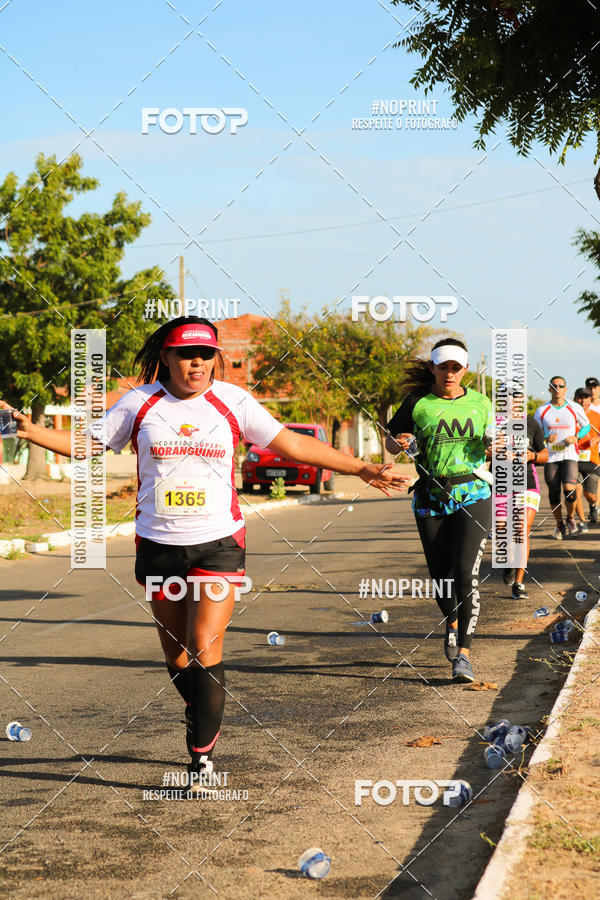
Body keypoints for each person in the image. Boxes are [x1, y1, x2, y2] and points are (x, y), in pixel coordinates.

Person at [1, 316, 411, 779]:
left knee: (203, 645)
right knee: (177, 655)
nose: (197, 362)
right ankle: (201, 708)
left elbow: (292, 443)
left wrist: (358, 467)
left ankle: (201, 758)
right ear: (166, 358)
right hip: (158, 543)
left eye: (206, 354)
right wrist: (29, 430)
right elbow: (87, 444)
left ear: (216, 358)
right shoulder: (139, 403)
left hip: (218, 541)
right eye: (186, 354)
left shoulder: (233, 401)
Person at [385, 338, 492, 684]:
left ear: (465, 370)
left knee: (464, 573)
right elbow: (391, 439)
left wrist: (494, 443)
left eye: (456, 367)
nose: (450, 373)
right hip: (431, 498)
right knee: (441, 577)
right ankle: (452, 621)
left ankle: (464, 656)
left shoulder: (481, 403)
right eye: (443, 366)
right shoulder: (417, 403)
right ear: (432, 367)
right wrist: (398, 443)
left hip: (473, 493)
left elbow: (496, 441)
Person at [485, 384, 548, 599]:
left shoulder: (531, 423)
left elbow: (545, 454)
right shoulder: (492, 424)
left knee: (521, 530)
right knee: (502, 531)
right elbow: (481, 453)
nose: (512, 400)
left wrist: (531, 456)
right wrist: (494, 453)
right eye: (507, 396)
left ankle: (519, 583)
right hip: (500, 483)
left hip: (526, 482)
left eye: (516, 395)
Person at [534, 377, 590, 539]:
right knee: (553, 492)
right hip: (551, 456)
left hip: (569, 454)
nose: (557, 388)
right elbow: (536, 433)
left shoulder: (574, 407)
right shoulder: (542, 410)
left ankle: (571, 518)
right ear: (550, 389)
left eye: (561, 386)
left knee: (570, 491)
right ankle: (560, 525)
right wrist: (545, 437)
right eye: (554, 386)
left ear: (565, 389)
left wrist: (576, 437)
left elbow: (586, 426)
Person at [573, 387, 600, 526]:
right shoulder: (570, 416)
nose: (582, 400)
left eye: (585, 397)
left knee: (591, 495)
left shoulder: (596, 416)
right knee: (576, 489)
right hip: (573, 459)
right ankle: (582, 521)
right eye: (580, 397)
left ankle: (593, 505)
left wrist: (597, 440)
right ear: (575, 399)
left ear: (590, 400)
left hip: (591, 459)